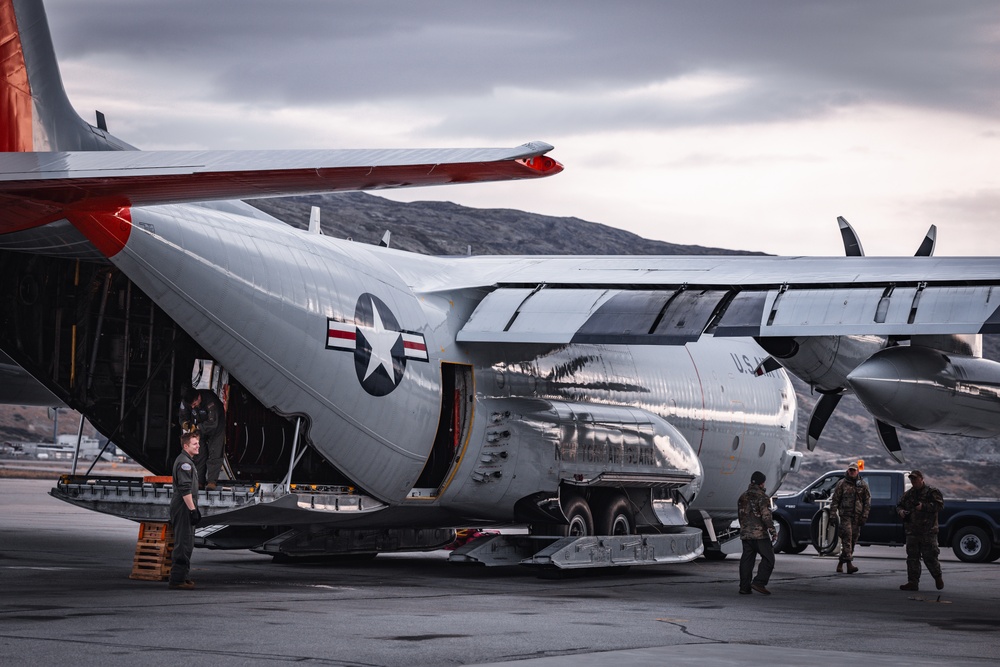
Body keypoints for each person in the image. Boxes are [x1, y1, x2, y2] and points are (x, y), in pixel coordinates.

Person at [896, 469, 945, 591]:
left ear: (921, 479)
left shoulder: (931, 492)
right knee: (912, 558)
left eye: (915, 479)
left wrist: (924, 507)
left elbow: (939, 505)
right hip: (912, 531)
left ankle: (937, 576)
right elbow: (899, 505)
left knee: (930, 556)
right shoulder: (909, 494)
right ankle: (913, 582)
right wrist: (901, 512)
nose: (913, 481)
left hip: (927, 531)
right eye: (911, 479)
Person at [168, 431, 202, 590]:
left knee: (187, 542)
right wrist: (192, 510)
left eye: (198, 443)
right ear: (186, 446)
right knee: (183, 543)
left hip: (185, 505)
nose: (198, 446)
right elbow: (185, 489)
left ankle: (184, 576)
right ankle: (177, 579)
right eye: (195, 444)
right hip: (183, 507)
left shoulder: (187, 460)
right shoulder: (184, 463)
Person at [738, 470, 777, 595]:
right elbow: (766, 516)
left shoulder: (742, 496)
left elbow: (740, 515)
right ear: (762, 483)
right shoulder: (763, 497)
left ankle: (744, 587)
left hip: (746, 534)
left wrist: (744, 528)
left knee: (747, 561)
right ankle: (759, 582)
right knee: (769, 559)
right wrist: (773, 531)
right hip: (760, 535)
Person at [179, 386, 226, 490]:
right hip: (199, 426)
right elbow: (182, 416)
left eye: (194, 404)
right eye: (190, 405)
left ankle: (211, 482)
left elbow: (213, 423)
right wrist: (186, 424)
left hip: (216, 427)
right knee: (199, 453)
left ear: (199, 398)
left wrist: (197, 427)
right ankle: (199, 481)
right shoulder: (187, 401)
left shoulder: (210, 401)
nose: (192, 407)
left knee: (215, 453)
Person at [829, 462, 871, 574]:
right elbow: (835, 500)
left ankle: (840, 563)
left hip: (857, 517)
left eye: (854, 470)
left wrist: (864, 515)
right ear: (848, 471)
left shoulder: (863, 485)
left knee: (853, 540)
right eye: (850, 470)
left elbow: (867, 501)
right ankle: (849, 564)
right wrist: (832, 515)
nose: (851, 472)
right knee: (847, 538)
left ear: (857, 471)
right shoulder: (841, 484)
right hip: (845, 516)